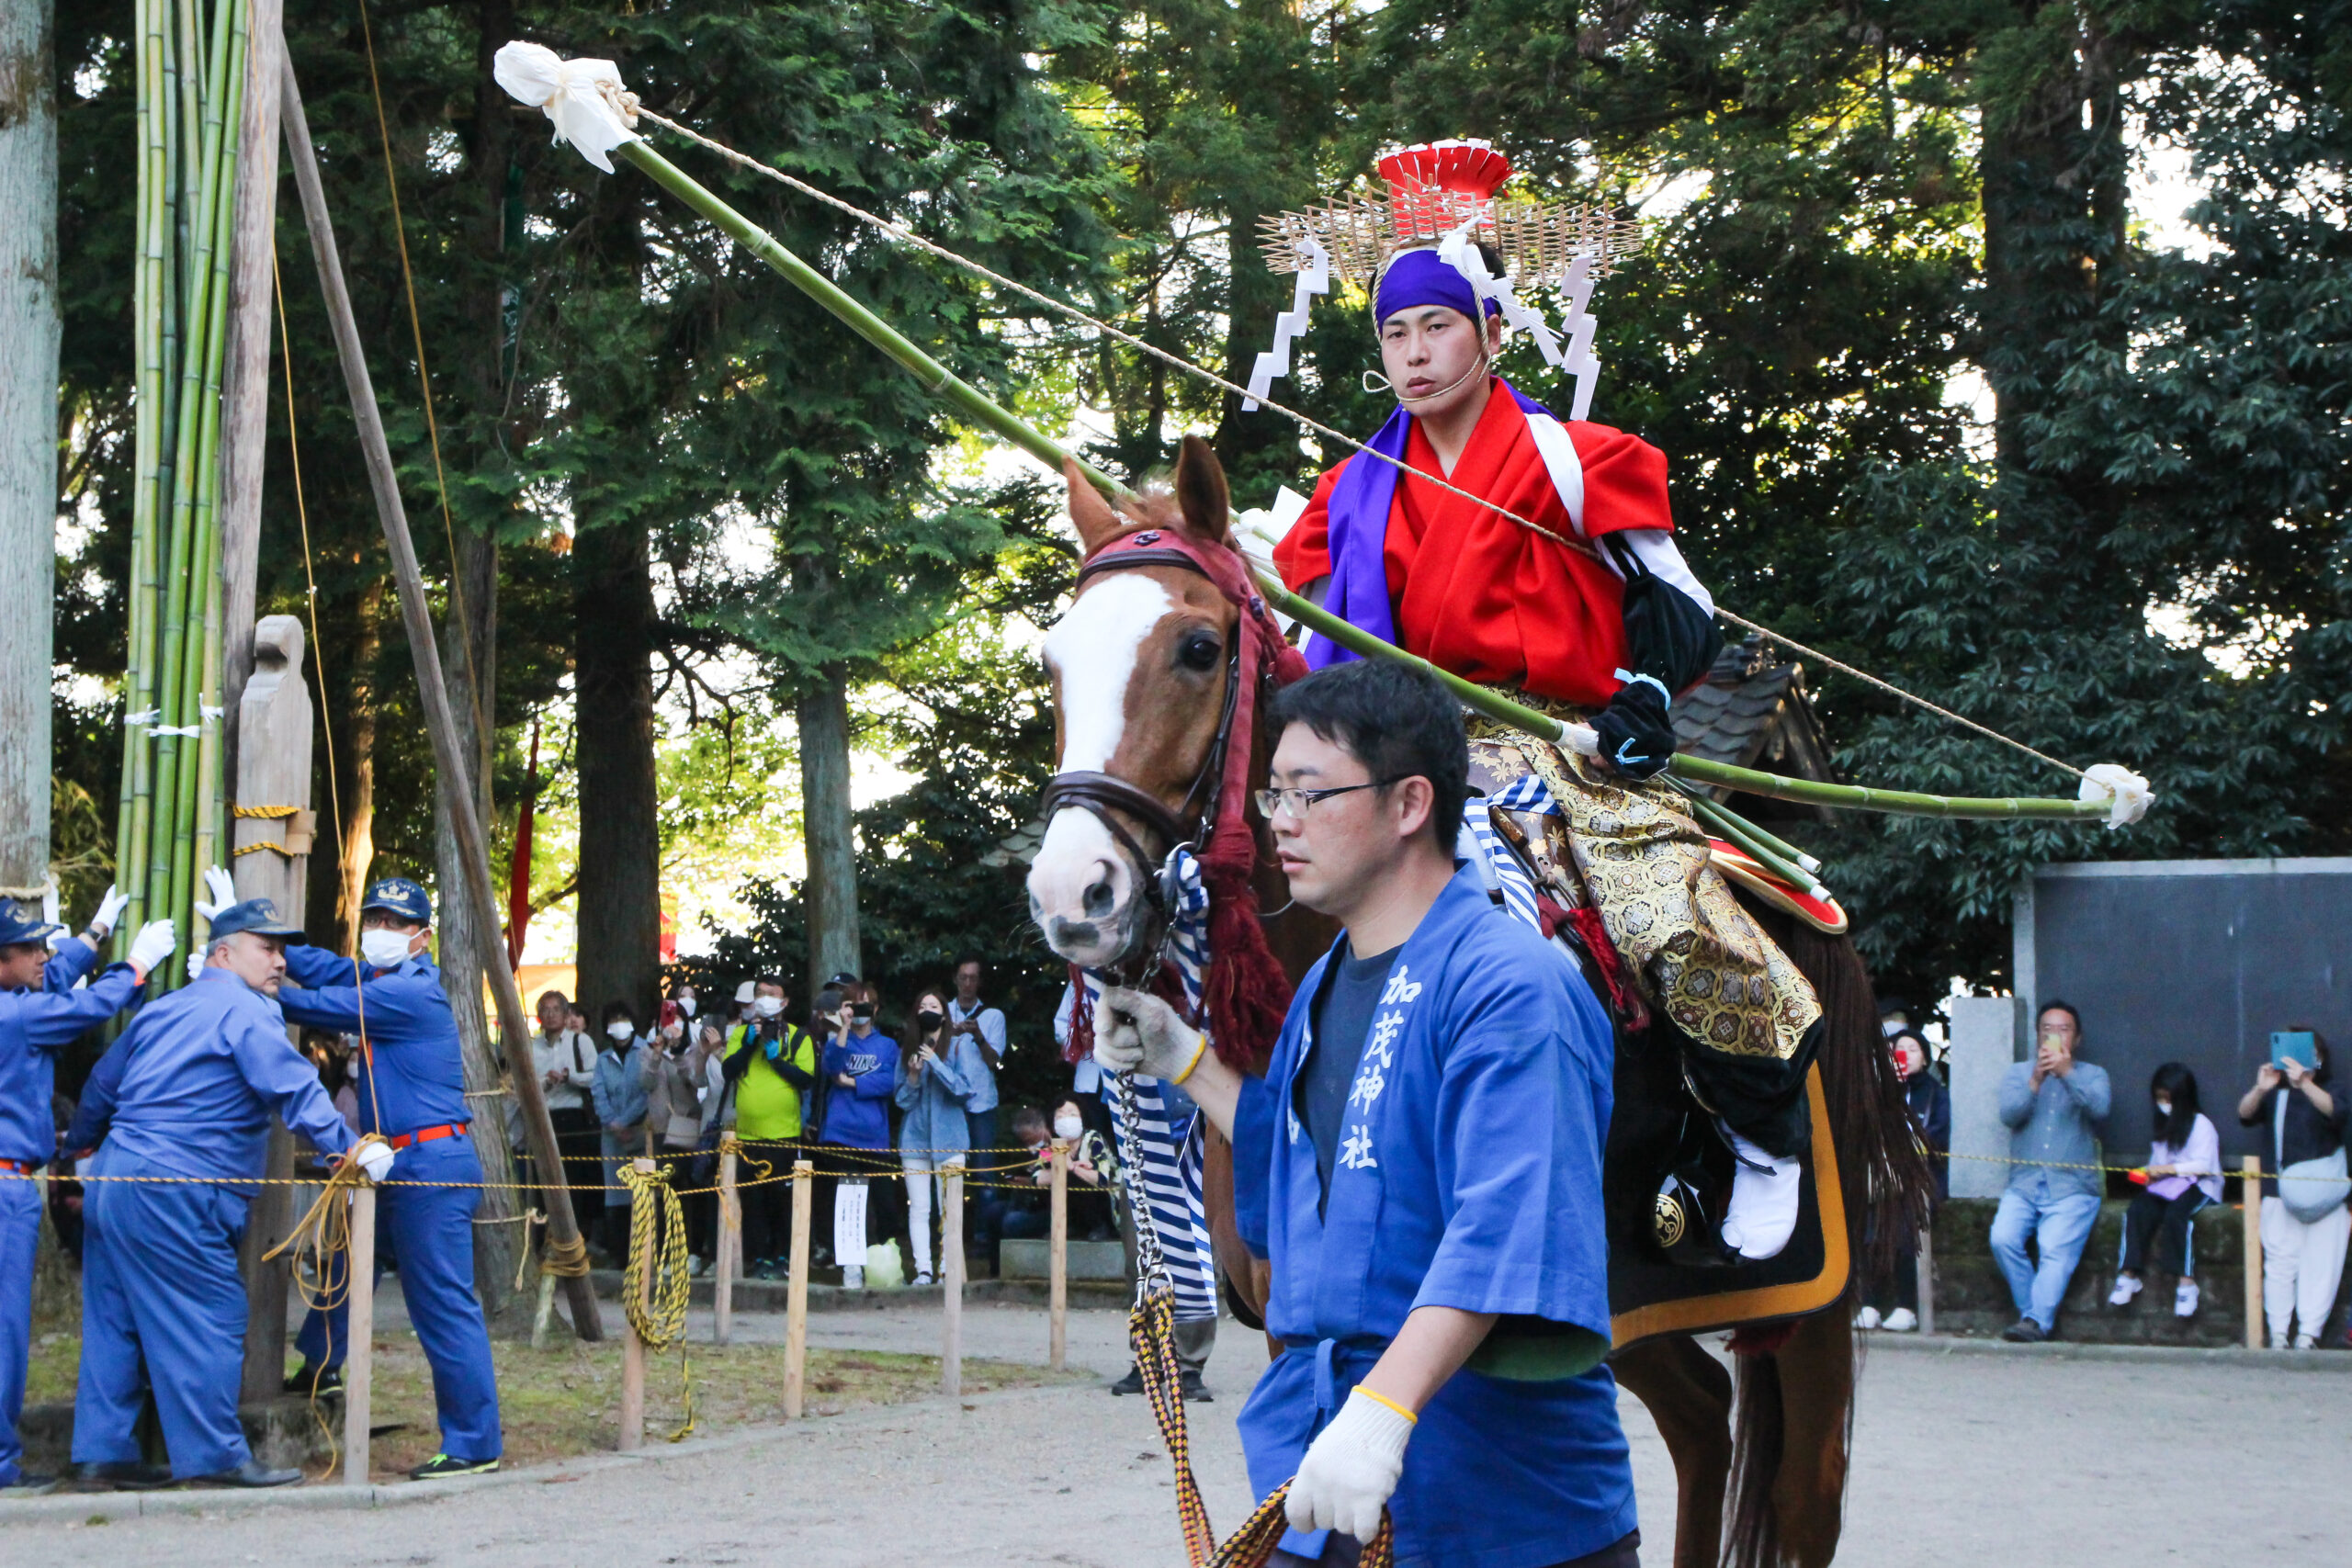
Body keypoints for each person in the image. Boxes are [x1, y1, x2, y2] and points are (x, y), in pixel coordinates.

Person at [1257, 145, 1814, 1262]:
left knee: (1668, 909)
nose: (1414, 355)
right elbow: (1301, 623)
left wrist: (1646, 695)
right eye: (1394, 334)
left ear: (1493, 334)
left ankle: (1755, 1138)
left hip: (1550, 742)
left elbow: (1675, 602)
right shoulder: (1349, 486)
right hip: (1391, 748)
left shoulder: (1573, 458)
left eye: (1438, 328)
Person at [1094, 659, 1636, 1568]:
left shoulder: (1510, 985)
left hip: (1491, 1503)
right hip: (1322, 1475)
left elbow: (1507, 1222)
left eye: (1309, 795)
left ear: (1410, 803)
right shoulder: (1320, 983)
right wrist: (1182, 1059)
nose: (1280, 825)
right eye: (1272, 796)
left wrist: (1383, 1410)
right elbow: (1305, 1156)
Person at [69, 897, 386, 1490]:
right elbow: (290, 1083)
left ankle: (101, 1453)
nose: (279, 962)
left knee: (115, 1322)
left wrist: (81, 1149)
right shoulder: (248, 1011)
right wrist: (349, 1146)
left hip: (115, 1179)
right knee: (213, 1314)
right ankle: (213, 1456)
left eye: (283, 951)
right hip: (177, 1186)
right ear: (222, 952)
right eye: (265, 947)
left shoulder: (163, 1010)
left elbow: (101, 1085)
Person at [272, 873, 505, 1479]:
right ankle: (318, 1369)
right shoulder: (379, 977)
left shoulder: (410, 992)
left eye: (394, 924)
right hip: (392, 1162)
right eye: (373, 919)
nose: (379, 930)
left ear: (421, 938)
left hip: (429, 1166)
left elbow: (321, 1002)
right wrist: (269, 943)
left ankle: (476, 1442)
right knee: (349, 1266)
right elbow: (326, 967)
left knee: (443, 1306)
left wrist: (253, 979)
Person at [0, 887, 167, 1492]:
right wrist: (138, 964)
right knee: (6, 1332)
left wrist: (96, 931)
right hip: (6, 1189)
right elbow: (90, 1004)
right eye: (30, 947)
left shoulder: (14, 995)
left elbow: (60, 972)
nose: (44, 955)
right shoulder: (16, 1014)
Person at [1989, 1001, 2112, 1343]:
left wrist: (2067, 1072)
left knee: (2054, 1247)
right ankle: (2035, 1315)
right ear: (2037, 1035)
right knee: (2002, 1238)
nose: (2054, 1036)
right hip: (2024, 1183)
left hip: (2072, 1186)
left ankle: (2035, 1321)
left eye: (2063, 1030)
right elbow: (2009, 1115)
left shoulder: (2093, 1075)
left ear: (2077, 1037)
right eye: (2047, 1030)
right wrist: (2036, 1080)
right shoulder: (2019, 1073)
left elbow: (2100, 1109)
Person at [2238, 1033, 2350, 1348]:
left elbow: (2336, 1111)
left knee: (2322, 1265)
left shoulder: (2332, 1089)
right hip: (2278, 1191)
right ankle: (2277, 1334)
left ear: (2320, 1057)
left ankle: (2307, 1335)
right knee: (2279, 1264)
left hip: (2326, 1193)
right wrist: (2261, 1088)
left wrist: (2305, 1083)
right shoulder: (2276, 1093)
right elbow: (2244, 1114)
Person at [720, 975, 817, 1278]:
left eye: (771, 995)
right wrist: (750, 1043)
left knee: (782, 1200)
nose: (765, 999)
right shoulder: (741, 1034)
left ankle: (783, 1257)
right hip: (748, 1136)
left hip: (783, 1135)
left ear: (784, 1002)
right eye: (760, 994)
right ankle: (758, 1257)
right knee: (754, 1200)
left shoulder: (798, 1037)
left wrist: (776, 1056)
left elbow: (806, 1078)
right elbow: (728, 1071)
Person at [2108, 1063, 2220, 1320]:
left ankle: (2186, 1283)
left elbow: (2204, 1165)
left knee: (2178, 1216)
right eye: (2159, 1098)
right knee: (2138, 1210)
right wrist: (2146, 1173)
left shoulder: (2201, 1125)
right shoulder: (2162, 1128)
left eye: (2168, 1099)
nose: (2163, 1104)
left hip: (2199, 1185)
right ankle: (2128, 1274)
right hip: (2166, 1186)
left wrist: (2167, 1169)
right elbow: (2155, 1162)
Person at [894, 989, 987, 1286]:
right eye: (922, 1006)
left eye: (933, 1005)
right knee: (920, 1208)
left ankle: (948, 1269)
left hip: (951, 1140)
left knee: (950, 1210)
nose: (927, 1010)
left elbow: (964, 1091)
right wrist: (912, 1077)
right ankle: (923, 1270)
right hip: (914, 1140)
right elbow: (901, 1102)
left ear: (945, 1015)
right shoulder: (907, 1049)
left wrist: (935, 1062)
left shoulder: (959, 1046)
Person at [1859, 1028, 1948, 1333]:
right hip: (1882, 1179)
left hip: (1920, 1180)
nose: (1905, 1055)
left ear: (1925, 1057)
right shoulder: (1881, 1093)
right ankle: (1868, 1303)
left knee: (1905, 1231)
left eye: (1913, 1049)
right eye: (1899, 1049)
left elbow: (1937, 1137)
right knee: (1868, 1231)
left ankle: (1907, 1306)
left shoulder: (1935, 1093)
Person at [816, 984, 899, 1289]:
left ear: (876, 1010)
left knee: (884, 1204)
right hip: (840, 1133)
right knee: (849, 1202)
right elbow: (830, 1067)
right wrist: (843, 1027)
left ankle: (880, 1264)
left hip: (874, 1135)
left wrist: (851, 1082)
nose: (860, 1012)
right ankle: (851, 1269)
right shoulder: (838, 1040)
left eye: (865, 1006)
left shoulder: (888, 1045)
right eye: (853, 1006)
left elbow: (890, 1082)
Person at [525, 987, 602, 1242]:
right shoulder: (532, 1046)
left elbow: (594, 1076)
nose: (550, 1015)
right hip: (545, 1116)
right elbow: (524, 1082)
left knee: (576, 1177)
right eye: (544, 1010)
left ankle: (578, 1235)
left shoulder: (581, 1041)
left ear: (566, 1013)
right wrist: (546, 1082)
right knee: (545, 1176)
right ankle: (547, 1235)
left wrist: (571, 1078)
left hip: (575, 1116)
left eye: (555, 1009)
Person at [592, 1000, 652, 1258]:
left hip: (641, 1130)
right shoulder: (603, 1059)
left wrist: (625, 1121)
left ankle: (644, 1251)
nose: (619, 1025)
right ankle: (619, 1253)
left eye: (623, 1019)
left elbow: (647, 1092)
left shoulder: (646, 1051)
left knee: (641, 1190)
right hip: (612, 1135)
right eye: (613, 1020)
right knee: (616, 1192)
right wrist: (613, 1123)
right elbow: (598, 1094)